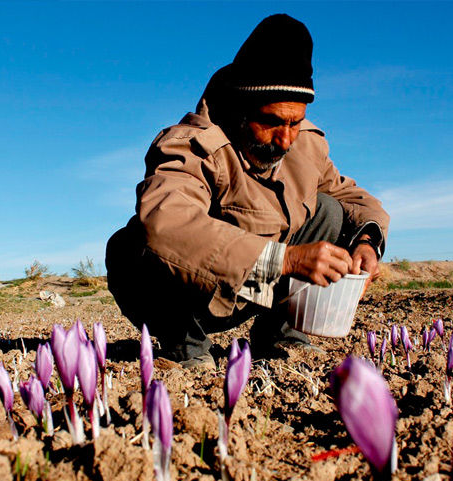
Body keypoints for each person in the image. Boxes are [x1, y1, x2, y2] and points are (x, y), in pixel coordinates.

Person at [106, 14, 390, 369]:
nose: (285, 139)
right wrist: (286, 260)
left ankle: (280, 333)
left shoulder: (304, 144)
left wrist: (367, 241)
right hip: (196, 299)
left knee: (329, 210)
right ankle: (185, 343)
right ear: (239, 108)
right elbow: (168, 222)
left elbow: (351, 197)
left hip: (260, 293)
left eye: (295, 122)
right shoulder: (191, 146)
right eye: (271, 121)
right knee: (130, 246)